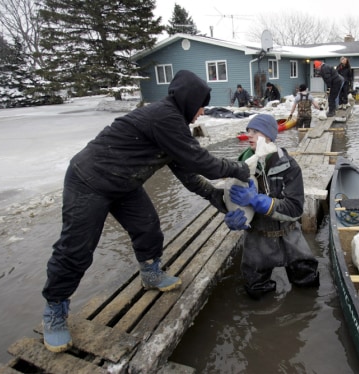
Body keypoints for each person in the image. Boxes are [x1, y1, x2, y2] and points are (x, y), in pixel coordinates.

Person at [40, 70, 250, 353]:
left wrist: (214, 195)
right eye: (201, 103)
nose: (202, 110)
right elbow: (204, 163)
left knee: (148, 227)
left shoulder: (173, 124)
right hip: (89, 180)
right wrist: (239, 168)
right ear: (188, 99)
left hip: (123, 182)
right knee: (76, 249)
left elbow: (187, 172)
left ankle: (150, 273)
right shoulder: (164, 117)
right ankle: (54, 309)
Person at [223, 114, 320, 299]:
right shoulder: (240, 167)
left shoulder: (289, 166)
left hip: (290, 235)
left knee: (307, 281)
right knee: (256, 290)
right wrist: (232, 217)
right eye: (248, 131)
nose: (249, 135)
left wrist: (258, 200)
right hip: (257, 239)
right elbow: (229, 198)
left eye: (255, 131)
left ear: (268, 136)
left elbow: (295, 209)